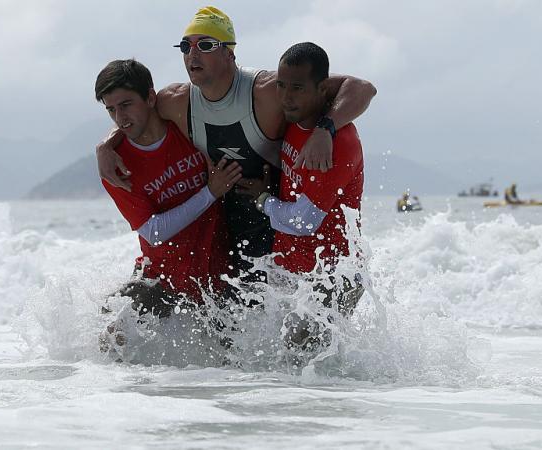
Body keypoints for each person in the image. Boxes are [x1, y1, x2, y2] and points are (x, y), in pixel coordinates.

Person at [96, 6, 376, 278]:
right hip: (228, 229)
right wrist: (106, 145)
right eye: (185, 46)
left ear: (229, 53)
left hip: (277, 222)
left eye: (205, 45)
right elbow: (135, 113)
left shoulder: (268, 90)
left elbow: (361, 88)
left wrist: (325, 129)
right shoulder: (176, 101)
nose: (192, 54)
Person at [94, 59, 243, 328]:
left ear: (150, 97)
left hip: (219, 273)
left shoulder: (186, 124)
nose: (120, 118)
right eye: (111, 110)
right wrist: (210, 192)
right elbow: (154, 231)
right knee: (111, 336)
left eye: (126, 105)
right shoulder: (116, 167)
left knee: (233, 369)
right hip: (162, 284)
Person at [238, 42, 365, 349]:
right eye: (281, 86)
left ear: (323, 89)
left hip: (334, 273)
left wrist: (261, 199)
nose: (285, 96)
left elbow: (303, 222)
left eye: (297, 88)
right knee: (284, 370)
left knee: (301, 362)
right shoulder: (293, 120)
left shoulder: (340, 144)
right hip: (292, 270)